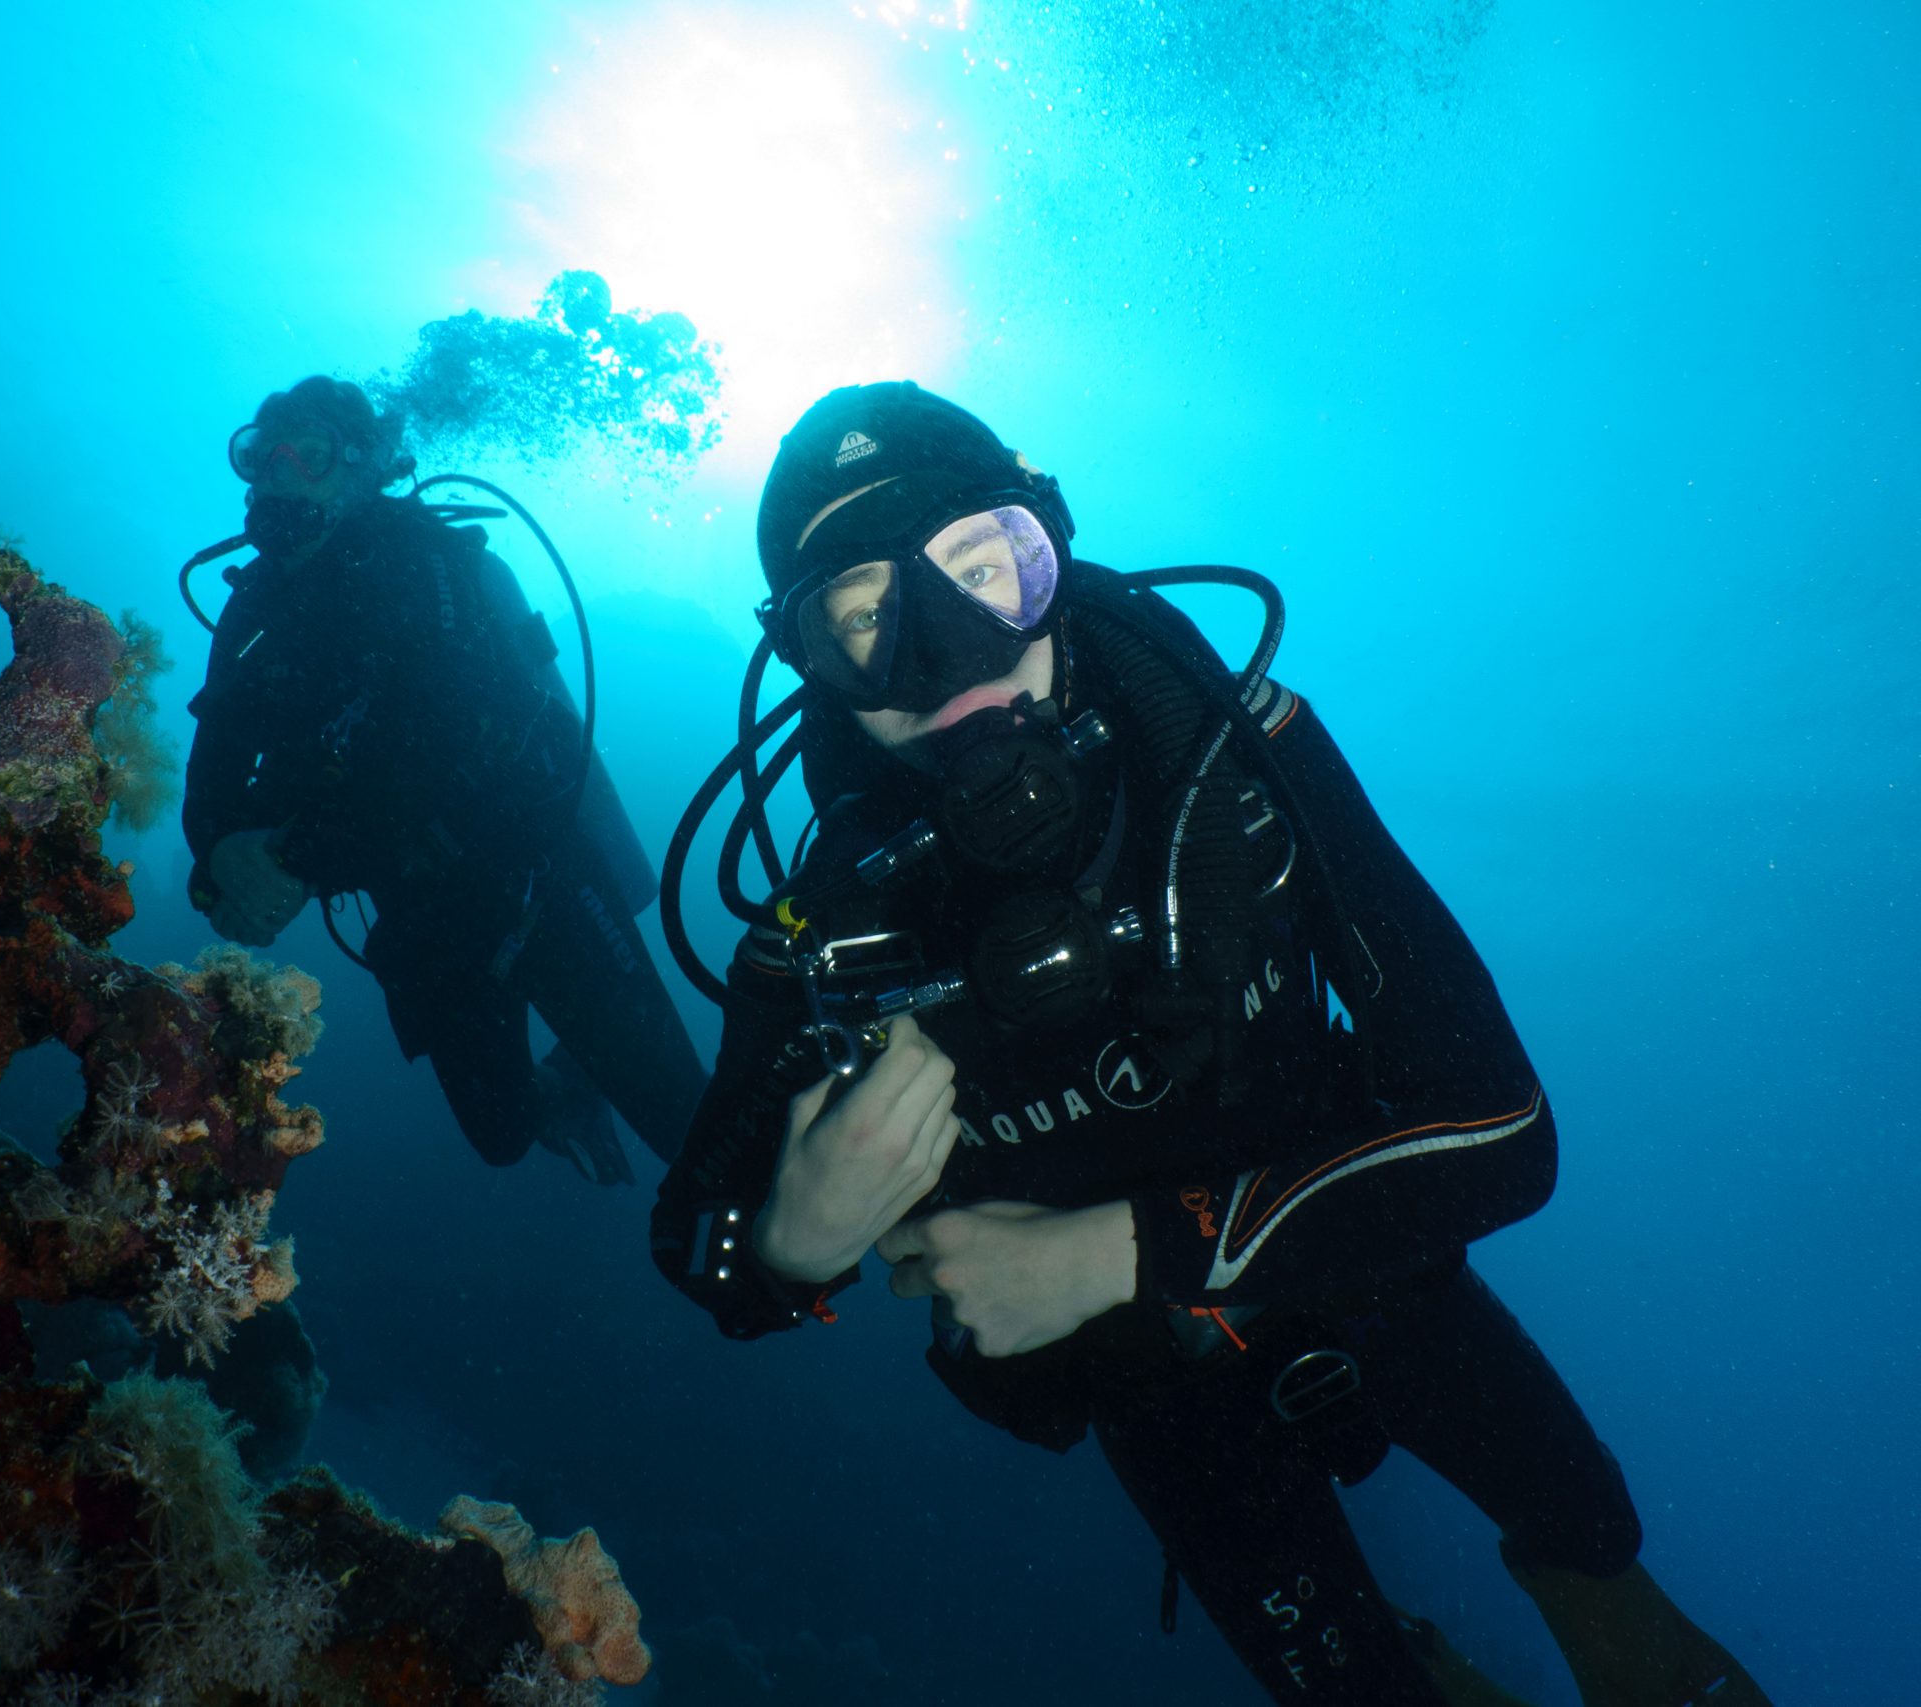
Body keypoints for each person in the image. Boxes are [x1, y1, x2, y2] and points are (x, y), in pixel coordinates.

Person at [651, 382, 1771, 1705]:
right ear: (803, 661)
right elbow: (703, 1245)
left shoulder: (1233, 755)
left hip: (1376, 1265)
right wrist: (791, 1232)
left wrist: (1125, 1245)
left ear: (1049, 549)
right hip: (1155, 1391)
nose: (949, 655)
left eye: (981, 571)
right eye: (864, 620)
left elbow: (1504, 1131)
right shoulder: (826, 921)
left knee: (1603, 1561)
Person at [184, 376, 707, 1183]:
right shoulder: (255, 608)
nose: (281, 474)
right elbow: (212, 764)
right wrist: (219, 854)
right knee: (500, 1134)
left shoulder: (425, 561)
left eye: (309, 454)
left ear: (359, 465)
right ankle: (571, 1083)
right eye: (263, 455)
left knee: (692, 1131)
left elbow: (455, 750)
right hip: (422, 912)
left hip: (537, 880)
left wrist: (293, 856)